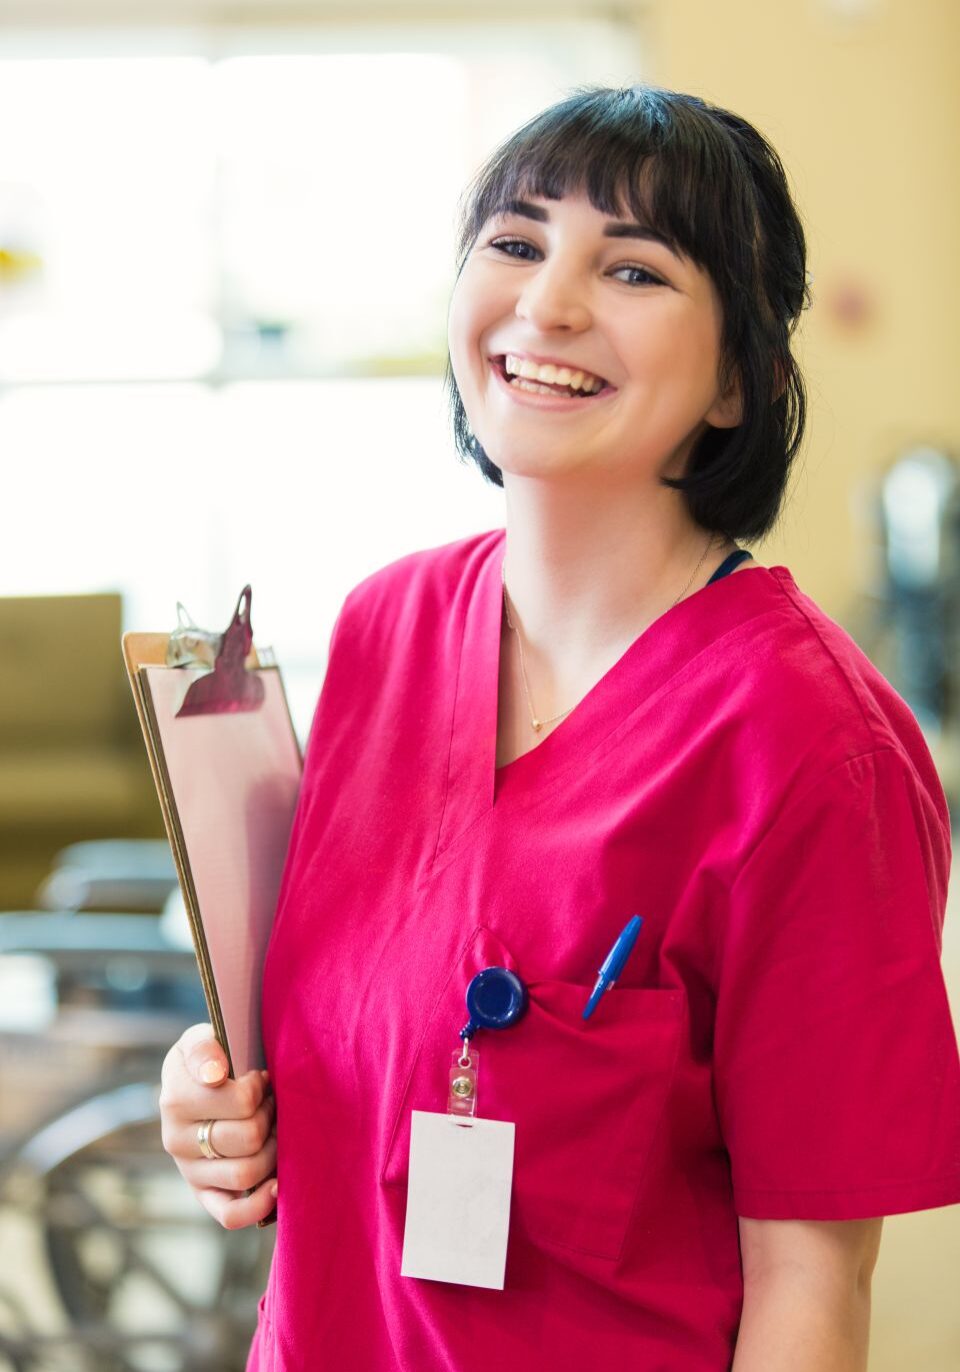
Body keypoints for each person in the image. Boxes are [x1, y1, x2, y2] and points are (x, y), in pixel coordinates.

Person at [158, 85, 960, 1370]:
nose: (551, 305)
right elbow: (362, 1035)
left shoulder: (816, 748)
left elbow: (813, 1287)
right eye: (518, 244)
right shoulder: (384, 628)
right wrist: (216, 1100)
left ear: (741, 382)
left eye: (633, 268)